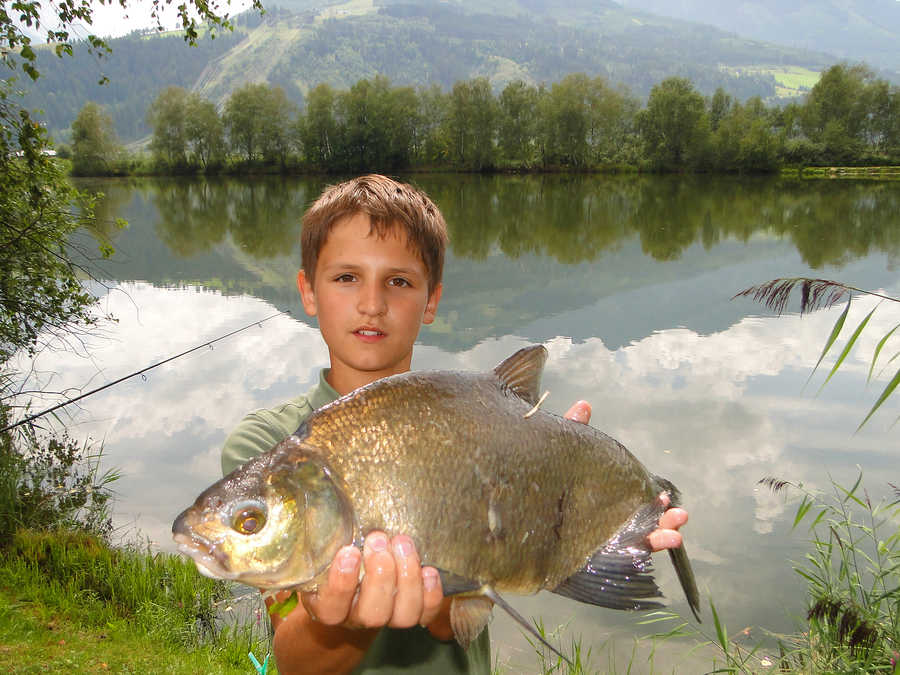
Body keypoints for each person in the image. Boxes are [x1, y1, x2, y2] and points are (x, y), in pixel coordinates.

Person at [221, 174, 689, 675]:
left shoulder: (465, 426)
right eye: (345, 277)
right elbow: (293, 662)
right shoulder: (266, 450)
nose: (372, 303)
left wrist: (546, 491)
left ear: (432, 301)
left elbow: (453, 623)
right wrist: (341, 621)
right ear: (307, 290)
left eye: (398, 281)